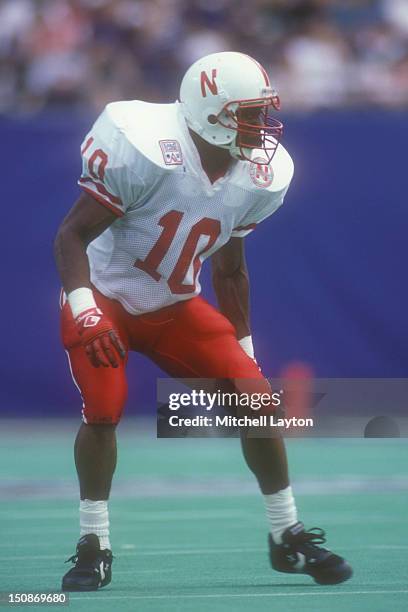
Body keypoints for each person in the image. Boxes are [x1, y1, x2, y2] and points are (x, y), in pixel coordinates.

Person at [54, 51, 352, 591]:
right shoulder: (145, 148)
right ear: (210, 113)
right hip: (106, 297)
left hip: (174, 303)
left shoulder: (260, 175)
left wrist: (246, 351)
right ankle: (93, 543)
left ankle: (287, 534)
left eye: (263, 112)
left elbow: (231, 271)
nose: (262, 127)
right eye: (250, 114)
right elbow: (70, 236)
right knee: (103, 409)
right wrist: (84, 307)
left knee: (255, 400)